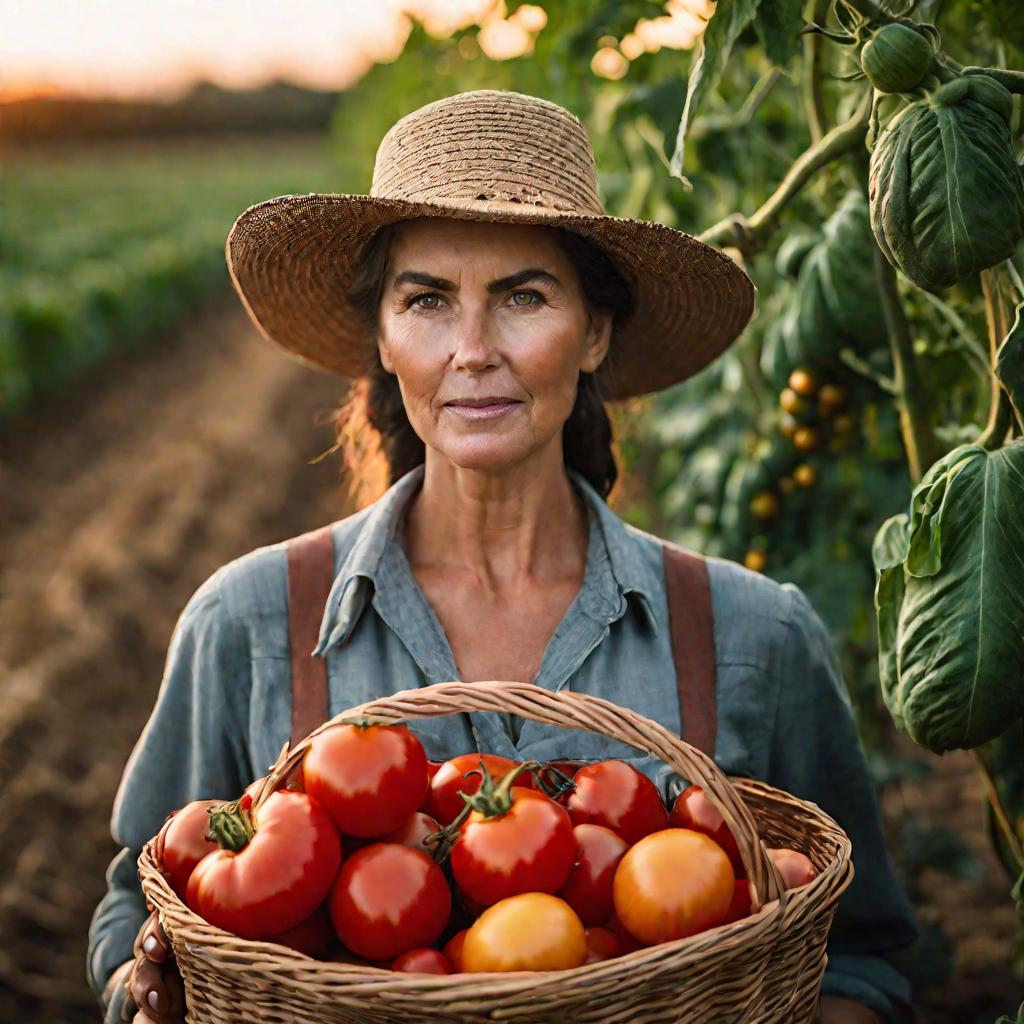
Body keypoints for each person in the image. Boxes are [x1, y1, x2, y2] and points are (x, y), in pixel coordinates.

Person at [87, 89, 919, 1024]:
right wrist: (141, 991)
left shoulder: (755, 637)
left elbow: (863, 958)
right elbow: (141, 894)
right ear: (384, 341)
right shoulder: (245, 625)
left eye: (523, 296)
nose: (473, 351)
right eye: (428, 301)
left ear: (594, 332)